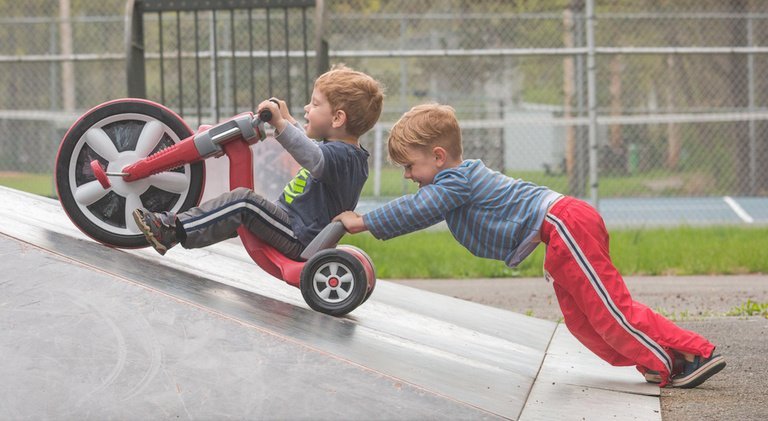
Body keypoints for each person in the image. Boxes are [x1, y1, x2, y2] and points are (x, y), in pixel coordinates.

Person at [334, 103, 725, 388]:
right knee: (582, 322)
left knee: (608, 311)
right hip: (556, 236)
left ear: (438, 157)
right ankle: (660, 358)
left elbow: (417, 210)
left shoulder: (454, 182)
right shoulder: (452, 183)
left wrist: (364, 221)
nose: (407, 176)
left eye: (410, 166)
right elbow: (423, 206)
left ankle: (689, 355)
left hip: (564, 223)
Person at [133, 64, 384, 261]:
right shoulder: (345, 153)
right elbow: (315, 151)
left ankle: (173, 230)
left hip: (298, 235)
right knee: (239, 207)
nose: (308, 107)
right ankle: (186, 226)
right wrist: (289, 121)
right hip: (293, 226)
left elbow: (313, 157)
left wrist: (280, 124)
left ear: (338, 118)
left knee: (243, 201)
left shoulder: (344, 157)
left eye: (316, 104)